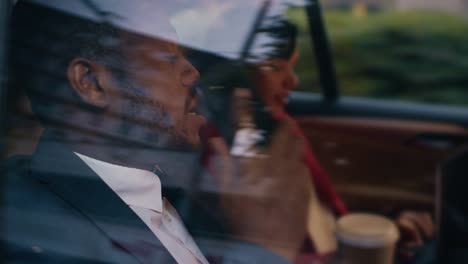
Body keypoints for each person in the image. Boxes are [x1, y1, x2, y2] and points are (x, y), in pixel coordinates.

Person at [2, 1, 312, 263]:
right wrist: (262, 247)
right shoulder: (35, 232)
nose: (193, 73)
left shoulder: (171, 182)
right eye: (168, 58)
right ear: (92, 83)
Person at [248, 17, 435, 262]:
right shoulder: (219, 150)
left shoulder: (283, 127)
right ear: (240, 71)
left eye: (292, 66)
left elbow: (330, 213)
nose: (293, 81)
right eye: (274, 67)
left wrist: (392, 235)